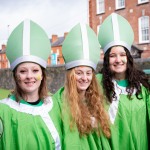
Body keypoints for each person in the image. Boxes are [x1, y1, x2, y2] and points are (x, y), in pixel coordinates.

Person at [0, 19, 62, 150]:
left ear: (42, 74)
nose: (29, 76)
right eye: (23, 71)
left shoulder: (55, 105)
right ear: (16, 76)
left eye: (35, 70)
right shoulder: (4, 111)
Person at [53, 23, 111, 150]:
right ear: (70, 76)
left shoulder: (97, 100)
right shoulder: (58, 102)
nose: (85, 78)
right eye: (79, 73)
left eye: (88, 73)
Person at [97, 13, 150, 150]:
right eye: (113, 56)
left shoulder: (142, 86)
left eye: (122, 55)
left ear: (128, 58)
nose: (118, 60)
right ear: (107, 60)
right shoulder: (97, 85)